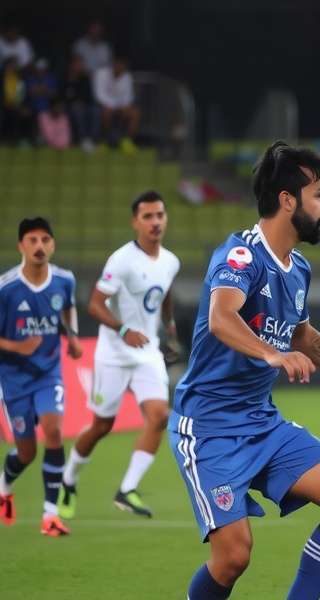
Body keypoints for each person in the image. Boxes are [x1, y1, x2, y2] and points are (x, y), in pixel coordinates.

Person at [169, 141, 320, 600]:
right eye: (319, 194)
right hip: (208, 427)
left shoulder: (298, 267)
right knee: (234, 556)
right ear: (287, 200)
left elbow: (301, 335)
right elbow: (222, 317)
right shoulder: (240, 255)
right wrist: (271, 354)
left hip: (261, 422)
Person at [58, 191, 180, 520]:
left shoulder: (170, 261)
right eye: (148, 217)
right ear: (135, 222)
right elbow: (94, 304)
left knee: (160, 416)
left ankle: (127, 490)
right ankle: (68, 480)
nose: (155, 222)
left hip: (147, 351)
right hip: (112, 354)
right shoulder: (121, 260)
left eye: (160, 215)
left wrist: (168, 327)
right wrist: (124, 329)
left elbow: (165, 293)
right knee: (101, 426)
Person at [0, 217, 82, 537]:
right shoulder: (6, 288)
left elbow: (68, 309)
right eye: (32, 240)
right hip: (14, 377)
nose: (39, 246)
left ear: (53, 244)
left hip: (49, 372)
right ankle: (5, 486)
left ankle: (50, 516)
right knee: (26, 452)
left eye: (45, 239)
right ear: (21, 245)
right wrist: (17, 346)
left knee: (54, 430)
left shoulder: (64, 280)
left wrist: (73, 337)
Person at [93, 54, 139, 151]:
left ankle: (127, 141)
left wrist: (124, 106)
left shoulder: (127, 77)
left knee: (135, 113)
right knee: (107, 112)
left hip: (120, 107)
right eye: (118, 65)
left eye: (123, 66)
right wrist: (114, 106)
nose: (120, 68)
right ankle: (104, 141)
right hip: (103, 106)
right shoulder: (101, 73)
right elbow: (99, 95)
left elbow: (128, 97)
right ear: (113, 64)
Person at [62, 54, 99, 152]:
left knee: (95, 110)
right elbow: (61, 95)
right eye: (77, 64)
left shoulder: (85, 79)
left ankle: (92, 139)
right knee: (77, 110)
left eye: (81, 64)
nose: (80, 66)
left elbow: (90, 96)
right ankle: (83, 139)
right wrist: (74, 102)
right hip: (69, 106)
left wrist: (81, 101)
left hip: (85, 105)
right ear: (71, 65)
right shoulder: (65, 77)